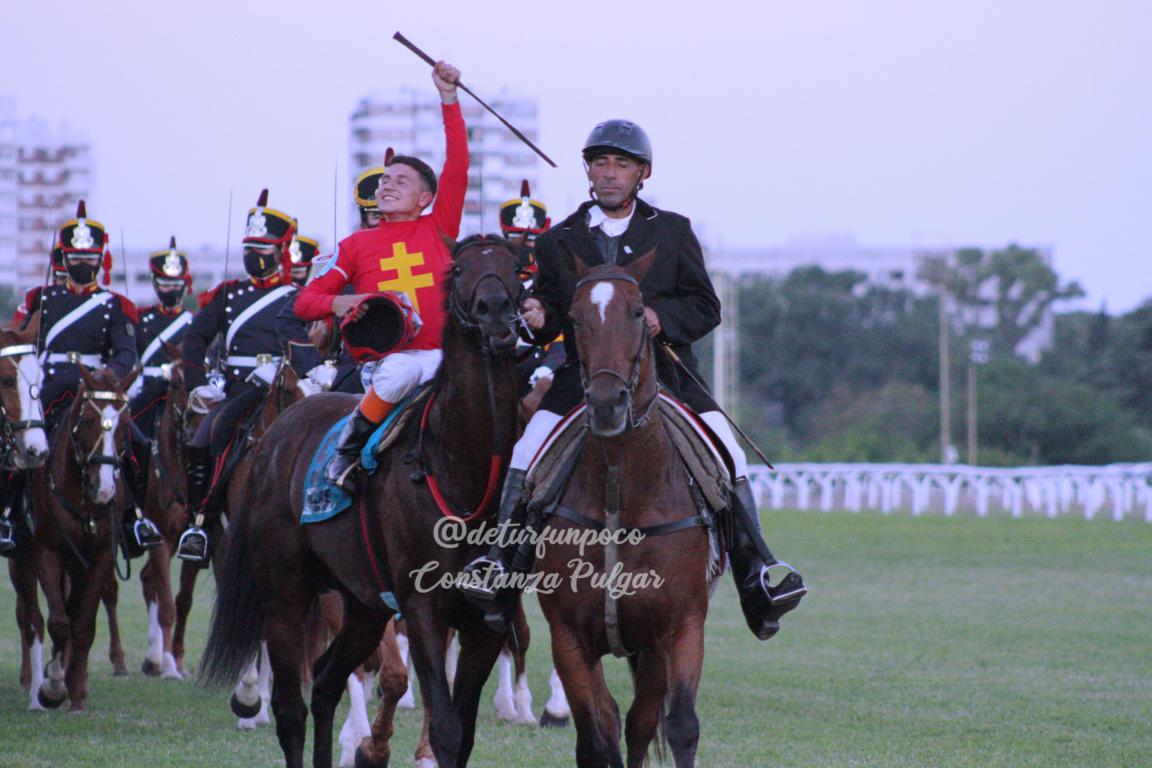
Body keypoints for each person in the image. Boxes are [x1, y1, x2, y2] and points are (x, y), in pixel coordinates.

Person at [461, 120, 806, 641]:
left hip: (666, 376)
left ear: (642, 173)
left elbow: (704, 306)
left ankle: (756, 575)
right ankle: (501, 566)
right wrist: (537, 313)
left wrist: (659, 319)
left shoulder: (671, 231)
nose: (609, 174)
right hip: (582, 378)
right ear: (589, 171)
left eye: (621, 164)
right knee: (527, 449)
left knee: (729, 453)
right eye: (600, 164)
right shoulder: (560, 239)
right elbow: (554, 309)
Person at [295, 60, 466, 494]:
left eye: (401, 181)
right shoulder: (355, 245)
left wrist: (448, 99)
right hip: (387, 364)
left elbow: (458, 163)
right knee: (398, 373)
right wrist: (339, 302)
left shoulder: (439, 227)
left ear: (426, 198)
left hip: (447, 355)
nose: (386, 185)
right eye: (384, 180)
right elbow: (304, 302)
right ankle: (346, 453)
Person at [23, 200, 162, 552]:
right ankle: (9, 512)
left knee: (138, 446)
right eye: (76, 258)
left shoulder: (115, 305)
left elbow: (127, 353)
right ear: (65, 260)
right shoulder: (44, 299)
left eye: (89, 258)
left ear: (100, 260)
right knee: (18, 437)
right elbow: (26, 341)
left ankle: (132, 517)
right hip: (51, 385)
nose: (83, 264)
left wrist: (109, 374)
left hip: (96, 392)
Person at [175, 190, 298, 563]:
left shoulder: (298, 295)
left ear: (281, 251)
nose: (253, 256)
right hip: (238, 391)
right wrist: (198, 383)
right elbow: (195, 337)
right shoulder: (228, 295)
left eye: (262, 248)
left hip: (285, 390)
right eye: (249, 247)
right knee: (203, 438)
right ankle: (200, 523)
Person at [129, 237, 195, 439]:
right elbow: (133, 357)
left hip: (182, 393)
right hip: (147, 393)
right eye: (166, 284)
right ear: (156, 285)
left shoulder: (194, 322)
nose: (172, 289)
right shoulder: (140, 320)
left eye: (176, 284)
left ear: (184, 285)